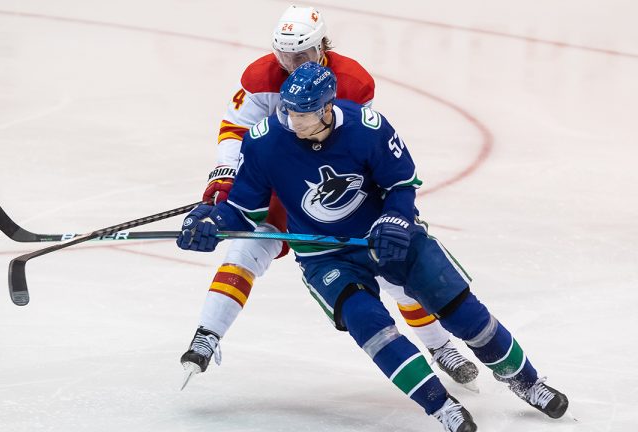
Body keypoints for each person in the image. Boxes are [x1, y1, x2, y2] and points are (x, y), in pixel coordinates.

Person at [176, 62, 569, 431]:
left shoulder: (368, 128)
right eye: (289, 113)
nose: (292, 121)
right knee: (370, 326)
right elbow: (244, 211)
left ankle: (526, 382)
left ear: (327, 108)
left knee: (462, 311)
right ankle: (441, 405)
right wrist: (213, 221)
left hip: (386, 238)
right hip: (325, 255)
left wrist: (396, 218)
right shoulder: (266, 142)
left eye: (303, 115)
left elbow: (401, 184)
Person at [182, 4, 478, 390]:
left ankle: (440, 345)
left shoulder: (352, 82)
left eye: (300, 54)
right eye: (283, 55)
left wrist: (390, 210)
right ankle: (208, 333)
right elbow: (234, 129)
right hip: (273, 178)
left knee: (390, 265)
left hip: (334, 188)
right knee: (243, 250)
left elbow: (357, 148)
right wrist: (225, 181)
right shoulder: (258, 77)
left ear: (322, 46)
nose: (290, 63)